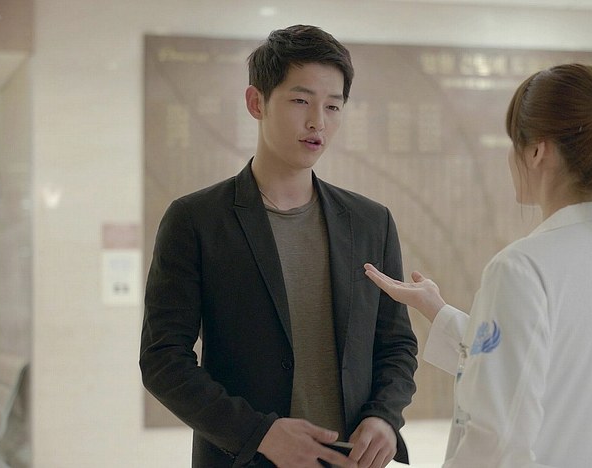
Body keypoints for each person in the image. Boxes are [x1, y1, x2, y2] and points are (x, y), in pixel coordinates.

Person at [140, 25, 418, 468]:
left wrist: (385, 416)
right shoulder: (196, 219)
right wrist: (259, 434)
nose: (318, 122)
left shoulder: (370, 222)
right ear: (257, 102)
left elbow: (396, 344)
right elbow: (163, 360)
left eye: (333, 106)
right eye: (300, 101)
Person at [364, 63, 592, 468]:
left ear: (537, 151)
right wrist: (437, 309)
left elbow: (496, 439)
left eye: (513, 143)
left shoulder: (522, 267)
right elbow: (552, 374)